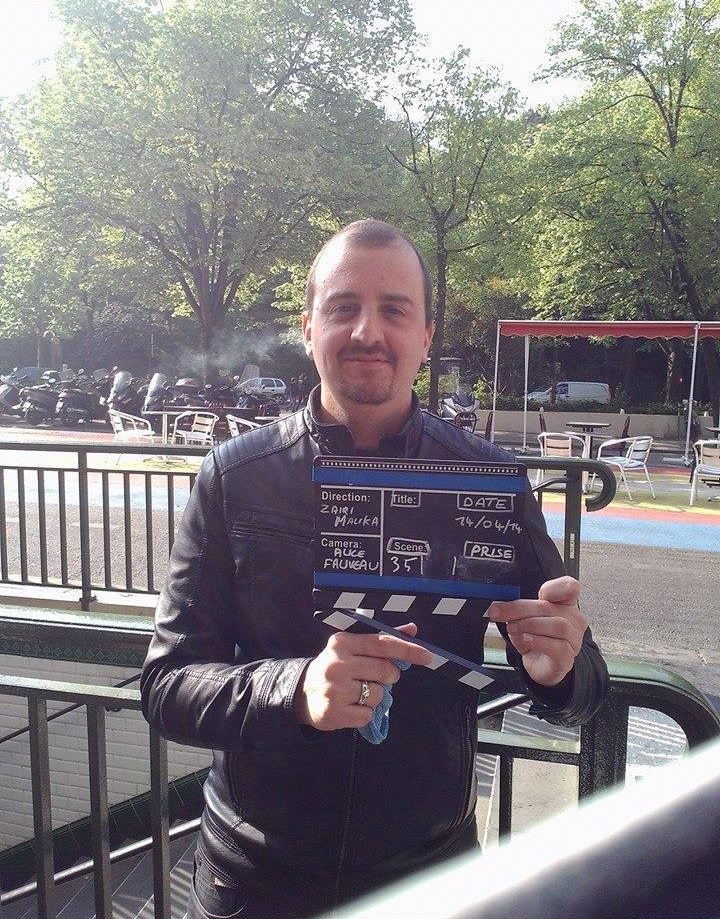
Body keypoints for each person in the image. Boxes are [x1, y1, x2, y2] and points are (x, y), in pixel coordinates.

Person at [141, 219, 609, 919]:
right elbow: (166, 685)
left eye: (394, 309)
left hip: (429, 874)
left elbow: (584, 690)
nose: (367, 331)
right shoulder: (235, 478)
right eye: (343, 307)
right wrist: (294, 689)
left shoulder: (489, 480)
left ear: (425, 337)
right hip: (254, 876)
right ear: (308, 328)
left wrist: (560, 669)